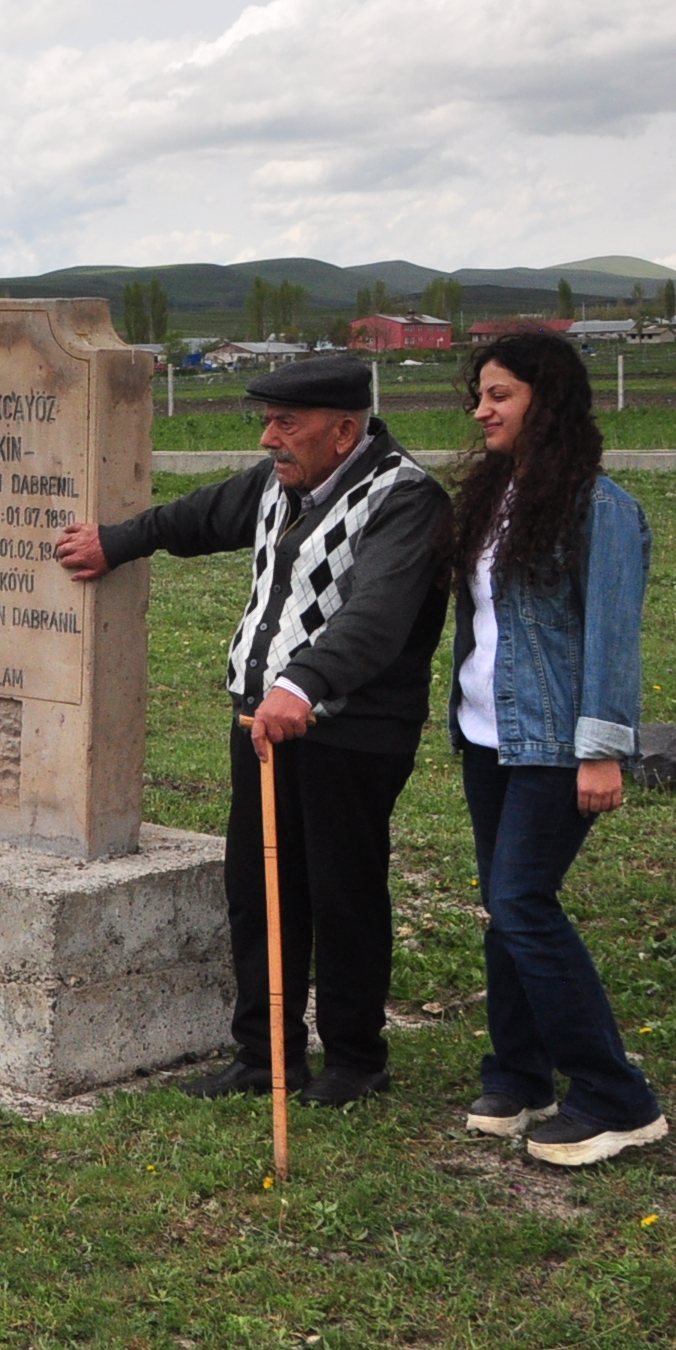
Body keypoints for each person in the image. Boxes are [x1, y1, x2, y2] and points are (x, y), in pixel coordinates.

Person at [54, 353, 449, 1108]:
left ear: (342, 430)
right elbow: (198, 516)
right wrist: (118, 540)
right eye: (266, 420)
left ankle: (356, 1061)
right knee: (258, 890)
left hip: (352, 730)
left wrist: (304, 682)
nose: (269, 436)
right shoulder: (281, 481)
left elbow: (378, 615)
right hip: (263, 721)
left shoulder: (406, 499)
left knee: (341, 893)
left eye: (285, 422)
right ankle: (266, 1054)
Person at [446, 330, 667, 1165]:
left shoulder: (599, 507)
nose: (483, 410)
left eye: (499, 394)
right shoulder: (499, 495)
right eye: (480, 396)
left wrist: (603, 749)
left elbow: (612, 638)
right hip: (485, 738)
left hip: (554, 745)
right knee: (504, 913)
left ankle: (617, 1095)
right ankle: (520, 1073)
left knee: (523, 905)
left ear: (548, 398)